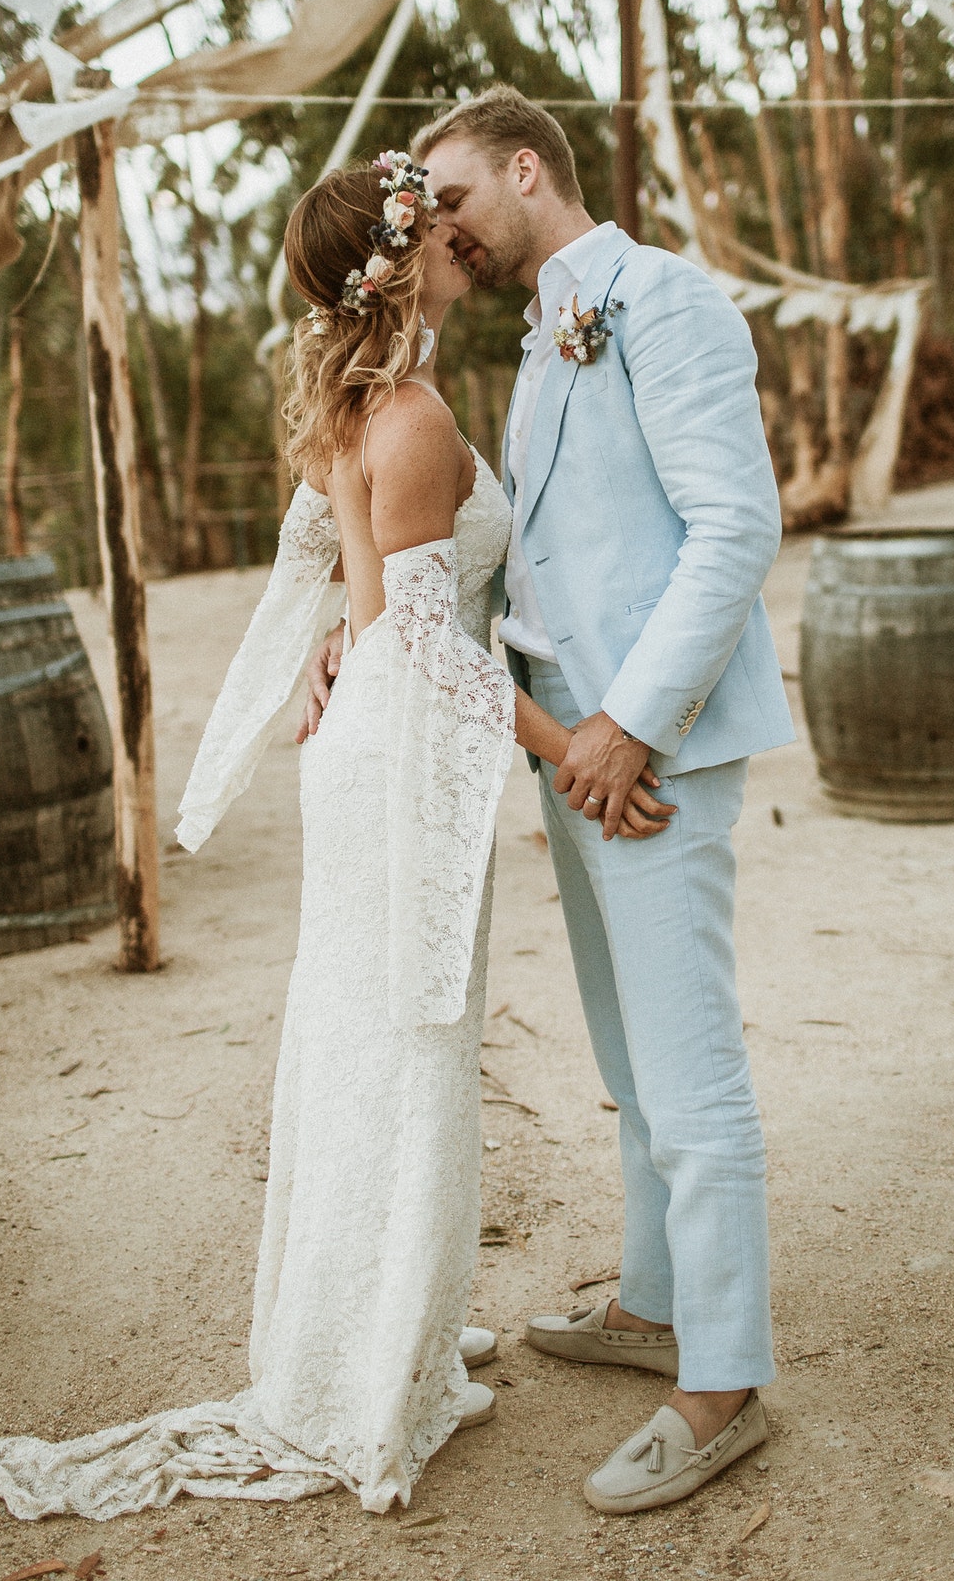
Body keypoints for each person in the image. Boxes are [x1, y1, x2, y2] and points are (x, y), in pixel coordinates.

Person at [0, 156, 671, 1525]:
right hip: (407, 755)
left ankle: (389, 1317)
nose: (464, 235)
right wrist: (576, 753)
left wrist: (327, 645)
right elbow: (432, 646)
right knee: (405, 1044)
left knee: (380, 1037)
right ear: (404, 259)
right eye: (439, 224)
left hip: (382, 738)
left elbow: (332, 573)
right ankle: (360, 1362)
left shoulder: (362, 408)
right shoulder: (405, 420)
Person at [305, 89, 796, 1516]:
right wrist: (375, 636)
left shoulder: (667, 301)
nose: (439, 219)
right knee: (632, 1063)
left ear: (529, 168)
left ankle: (723, 1384)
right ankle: (653, 1304)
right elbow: (518, 558)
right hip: (561, 749)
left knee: (692, 1076)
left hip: (649, 756)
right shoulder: (529, 343)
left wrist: (627, 727)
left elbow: (734, 525)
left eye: (453, 190)